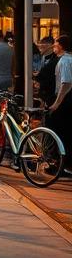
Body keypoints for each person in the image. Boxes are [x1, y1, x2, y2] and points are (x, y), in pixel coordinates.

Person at [46, 35, 72, 171]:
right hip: (67, 100)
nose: (53, 46)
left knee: (59, 131)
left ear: (60, 45)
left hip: (65, 100)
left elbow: (66, 83)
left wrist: (57, 103)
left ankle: (59, 165)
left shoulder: (65, 61)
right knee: (65, 131)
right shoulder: (67, 59)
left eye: (55, 43)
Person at [35, 36, 58, 107]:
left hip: (51, 92)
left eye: (43, 44)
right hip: (43, 91)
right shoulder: (43, 57)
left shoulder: (55, 59)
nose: (40, 46)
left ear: (51, 45)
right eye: (40, 44)